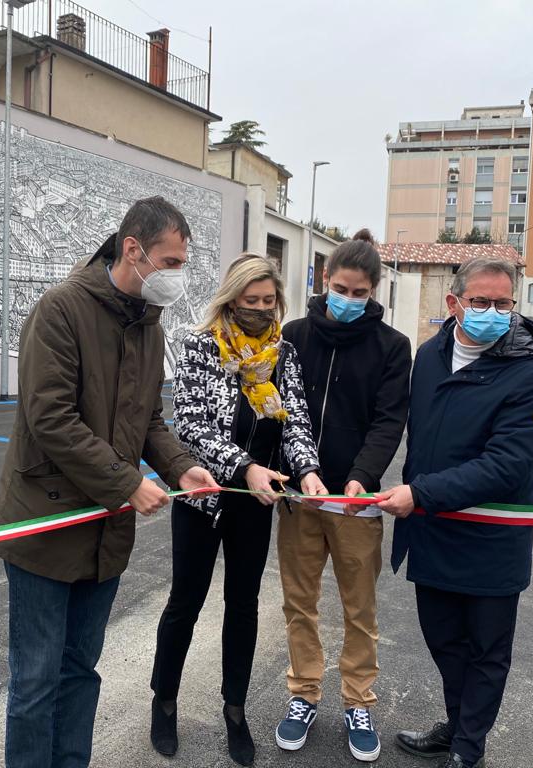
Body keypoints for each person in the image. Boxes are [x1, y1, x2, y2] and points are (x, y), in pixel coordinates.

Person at [0, 196, 217, 768]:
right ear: (133, 250)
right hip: (46, 528)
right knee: (37, 681)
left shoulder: (149, 326)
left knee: (80, 673)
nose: (177, 277)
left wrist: (180, 465)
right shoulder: (61, 310)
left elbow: (148, 421)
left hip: (104, 537)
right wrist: (125, 483)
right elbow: (50, 418)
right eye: (170, 262)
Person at [378, 257, 533, 768]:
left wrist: (419, 494)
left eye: (503, 304)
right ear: (454, 304)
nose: (492, 312)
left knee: (486, 651)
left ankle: (468, 747)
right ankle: (456, 725)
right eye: (480, 302)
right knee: (444, 641)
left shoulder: (531, 374)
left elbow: (507, 465)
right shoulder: (431, 356)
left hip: (490, 541)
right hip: (433, 534)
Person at [149, 254, 328, 766]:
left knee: (243, 606)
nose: (260, 310)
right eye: (250, 302)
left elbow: (294, 423)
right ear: (231, 299)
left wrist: (308, 469)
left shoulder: (283, 355)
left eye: (268, 301)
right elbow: (191, 426)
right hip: (204, 497)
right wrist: (244, 466)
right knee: (185, 601)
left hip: (257, 501)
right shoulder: (202, 347)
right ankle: (164, 700)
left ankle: (235, 708)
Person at [275, 232, 412, 762]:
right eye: (340, 288)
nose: (348, 299)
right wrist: (297, 471)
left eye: (359, 292)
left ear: (373, 290)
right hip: (300, 497)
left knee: (360, 609)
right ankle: (303, 694)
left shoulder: (392, 347)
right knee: (299, 603)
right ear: (322, 281)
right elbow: (284, 410)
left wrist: (361, 477)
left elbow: (388, 421)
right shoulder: (294, 336)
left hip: (357, 504)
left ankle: (358, 701)